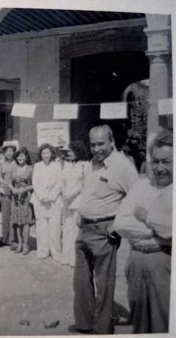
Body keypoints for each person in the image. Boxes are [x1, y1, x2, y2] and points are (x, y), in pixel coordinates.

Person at [73, 125, 138, 334]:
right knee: (81, 281)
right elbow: (90, 192)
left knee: (104, 285)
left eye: (101, 144)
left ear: (111, 142)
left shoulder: (122, 166)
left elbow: (137, 198)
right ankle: (85, 324)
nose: (96, 149)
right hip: (84, 228)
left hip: (105, 231)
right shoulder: (92, 163)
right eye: (93, 144)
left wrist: (118, 225)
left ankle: (102, 330)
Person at [113, 129, 172, 333]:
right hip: (136, 263)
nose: (159, 168)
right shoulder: (141, 186)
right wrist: (159, 236)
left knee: (164, 322)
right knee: (140, 324)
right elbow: (121, 223)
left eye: (166, 161)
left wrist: (147, 217)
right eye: (155, 161)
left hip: (166, 265)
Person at [30, 143, 63, 260]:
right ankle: (43, 251)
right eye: (43, 153)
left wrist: (52, 196)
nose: (45, 155)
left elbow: (59, 182)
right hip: (40, 201)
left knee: (55, 227)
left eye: (47, 153)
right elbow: (35, 183)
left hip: (54, 200)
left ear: (51, 153)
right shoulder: (37, 166)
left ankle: (56, 252)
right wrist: (43, 197)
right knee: (41, 227)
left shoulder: (57, 165)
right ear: (40, 154)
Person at [61, 141, 88, 267]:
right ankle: (66, 257)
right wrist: (64, 195)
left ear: (78, 152)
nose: (69, 153)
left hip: (78, 201)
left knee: (76, 229)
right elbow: (62, 182)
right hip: (66, 201)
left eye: (71, 151)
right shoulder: (66, 165)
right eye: (68, 151)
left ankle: (76, 259)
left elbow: (85, 184)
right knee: (67, 228)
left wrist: (72, 195)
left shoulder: (85, 165)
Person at [10, 147, 34, 255]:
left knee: (26, 222)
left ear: (26, 157)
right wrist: (12, 189)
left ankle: (25, 244)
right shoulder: (13, 168)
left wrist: (26, 189)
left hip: (26, 198)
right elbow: (8, 181)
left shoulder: (30, 169)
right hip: (15, 198)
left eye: (22, 156)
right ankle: (19, 243)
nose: (20, 157)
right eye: (18, 156)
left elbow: (35, 184)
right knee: (17, 222)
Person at [0, 141, 18, 248]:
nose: (9, 153)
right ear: (4, 152)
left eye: (11, 151)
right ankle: (4, 237)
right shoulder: (1, 162)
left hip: (15, 191)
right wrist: (2, 185)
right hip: (5, 191)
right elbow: (0, 176)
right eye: (7, 151)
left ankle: (13, 239)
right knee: (5, 215)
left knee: (13, 214)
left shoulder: (16, 162)